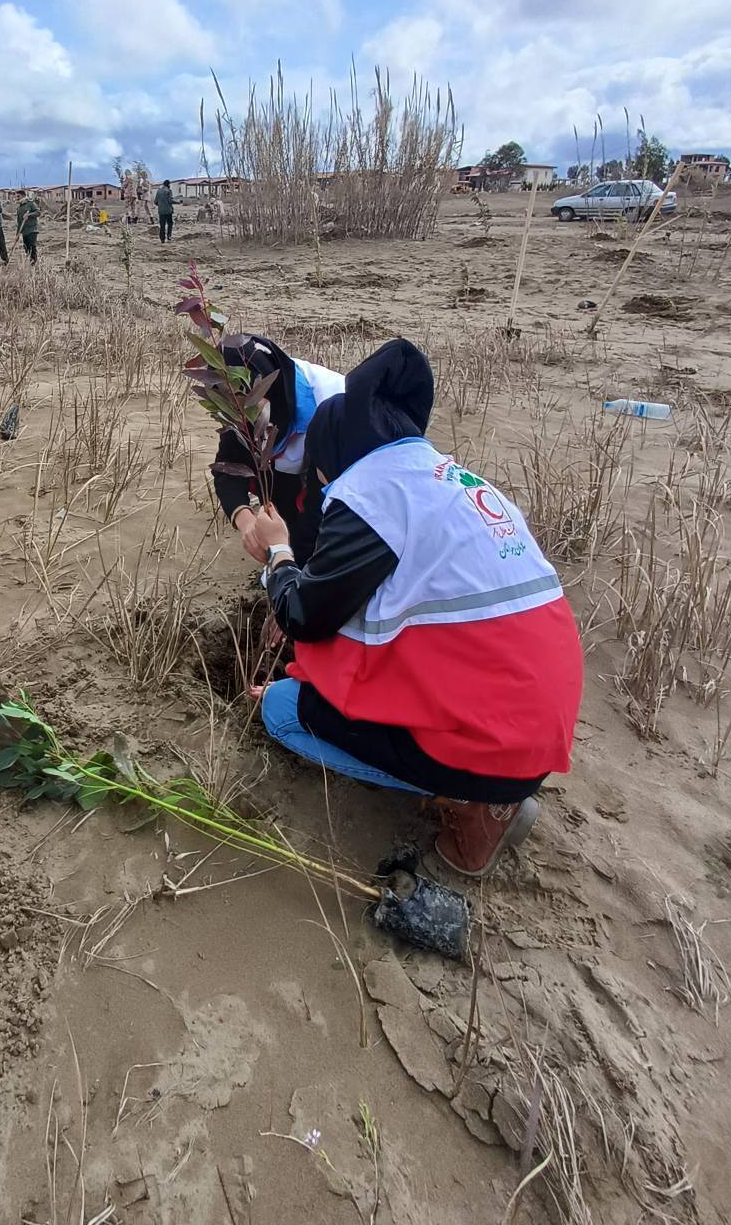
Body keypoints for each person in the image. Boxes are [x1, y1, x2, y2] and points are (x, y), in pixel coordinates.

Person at [242, 339, 583, 878]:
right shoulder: (452, 481)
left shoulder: (373, 492)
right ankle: (494, 788)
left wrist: (280, 555)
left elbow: (305, 615)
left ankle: (472, 802)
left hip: (495, 741)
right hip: (541, 721)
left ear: (334, 459)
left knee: (282, 711)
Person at [213, 334, 347, 564]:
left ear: (271, 389)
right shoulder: (237, 409)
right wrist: (246, 521)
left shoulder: (332, 406)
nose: (246, 418)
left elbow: (319, 501)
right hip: (291, 466)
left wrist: (289, 564)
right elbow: (228, 467)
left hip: (342, 466)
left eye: (253, 408)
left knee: (319, 538)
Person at [16, 193, 39, 263]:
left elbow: (38, 212)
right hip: (24, 231)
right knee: (26, 248)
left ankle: (34, 263)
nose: (16, 198)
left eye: (18, 196)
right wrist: (17, 234)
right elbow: (19, 222)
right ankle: (30, 262)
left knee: (32, 247)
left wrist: (29, 215)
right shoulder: (19, 208)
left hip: (32, 230)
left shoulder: (31, 204)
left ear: (23, 196)